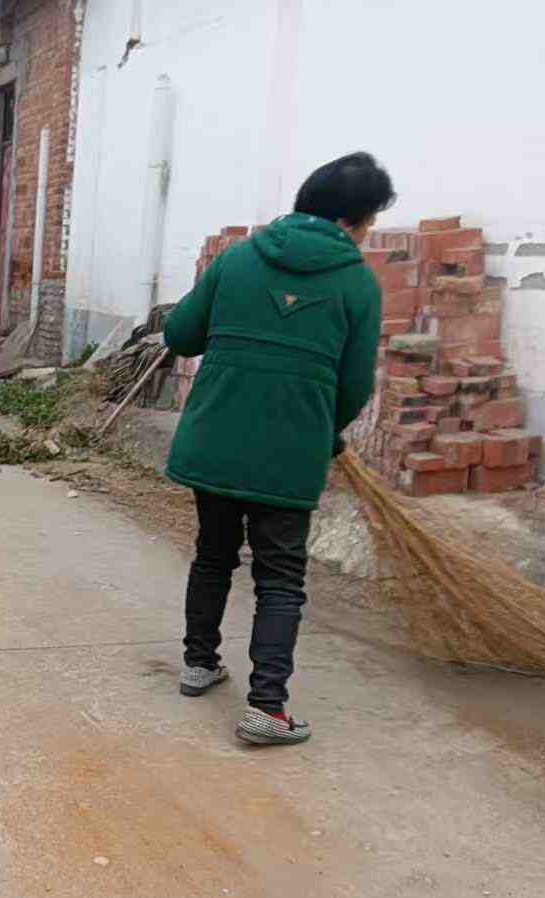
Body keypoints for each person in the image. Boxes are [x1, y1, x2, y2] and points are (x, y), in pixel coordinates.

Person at [163, 151, 394, 747]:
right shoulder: (357, 283)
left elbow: (180, 334)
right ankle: (266, 708)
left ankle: (198, 663)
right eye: (369, 222)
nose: (367, 233)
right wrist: (321, 429)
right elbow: (354, 386)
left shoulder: (238, 258)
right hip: (289, 453)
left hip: (214, 440)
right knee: (281, 578)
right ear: (349, 220)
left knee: (213, 554)